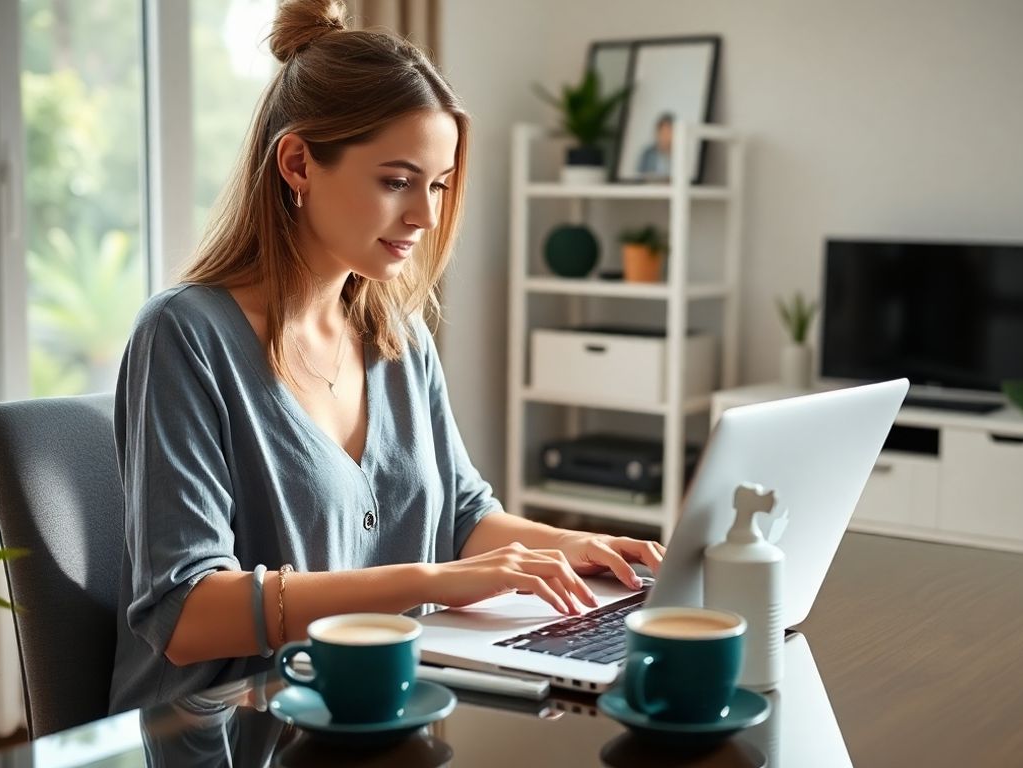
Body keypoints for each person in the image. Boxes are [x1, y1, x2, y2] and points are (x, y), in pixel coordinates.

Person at [109, 0, 666, 712]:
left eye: (436, 184)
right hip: (222, 734)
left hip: (372, 716)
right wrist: (428, 582)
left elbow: (462, 519)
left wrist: (577, 547)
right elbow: (185, 615)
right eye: (397, 181)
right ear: (298, 162)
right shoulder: (184, 335)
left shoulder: (400, 337)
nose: (426, 216)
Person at [636, 112, 674, 177]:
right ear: (657, 132)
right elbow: (640, 176)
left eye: (668, 132)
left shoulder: (679, 154)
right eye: (663, 132)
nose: (665, 136)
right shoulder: (648, 153)